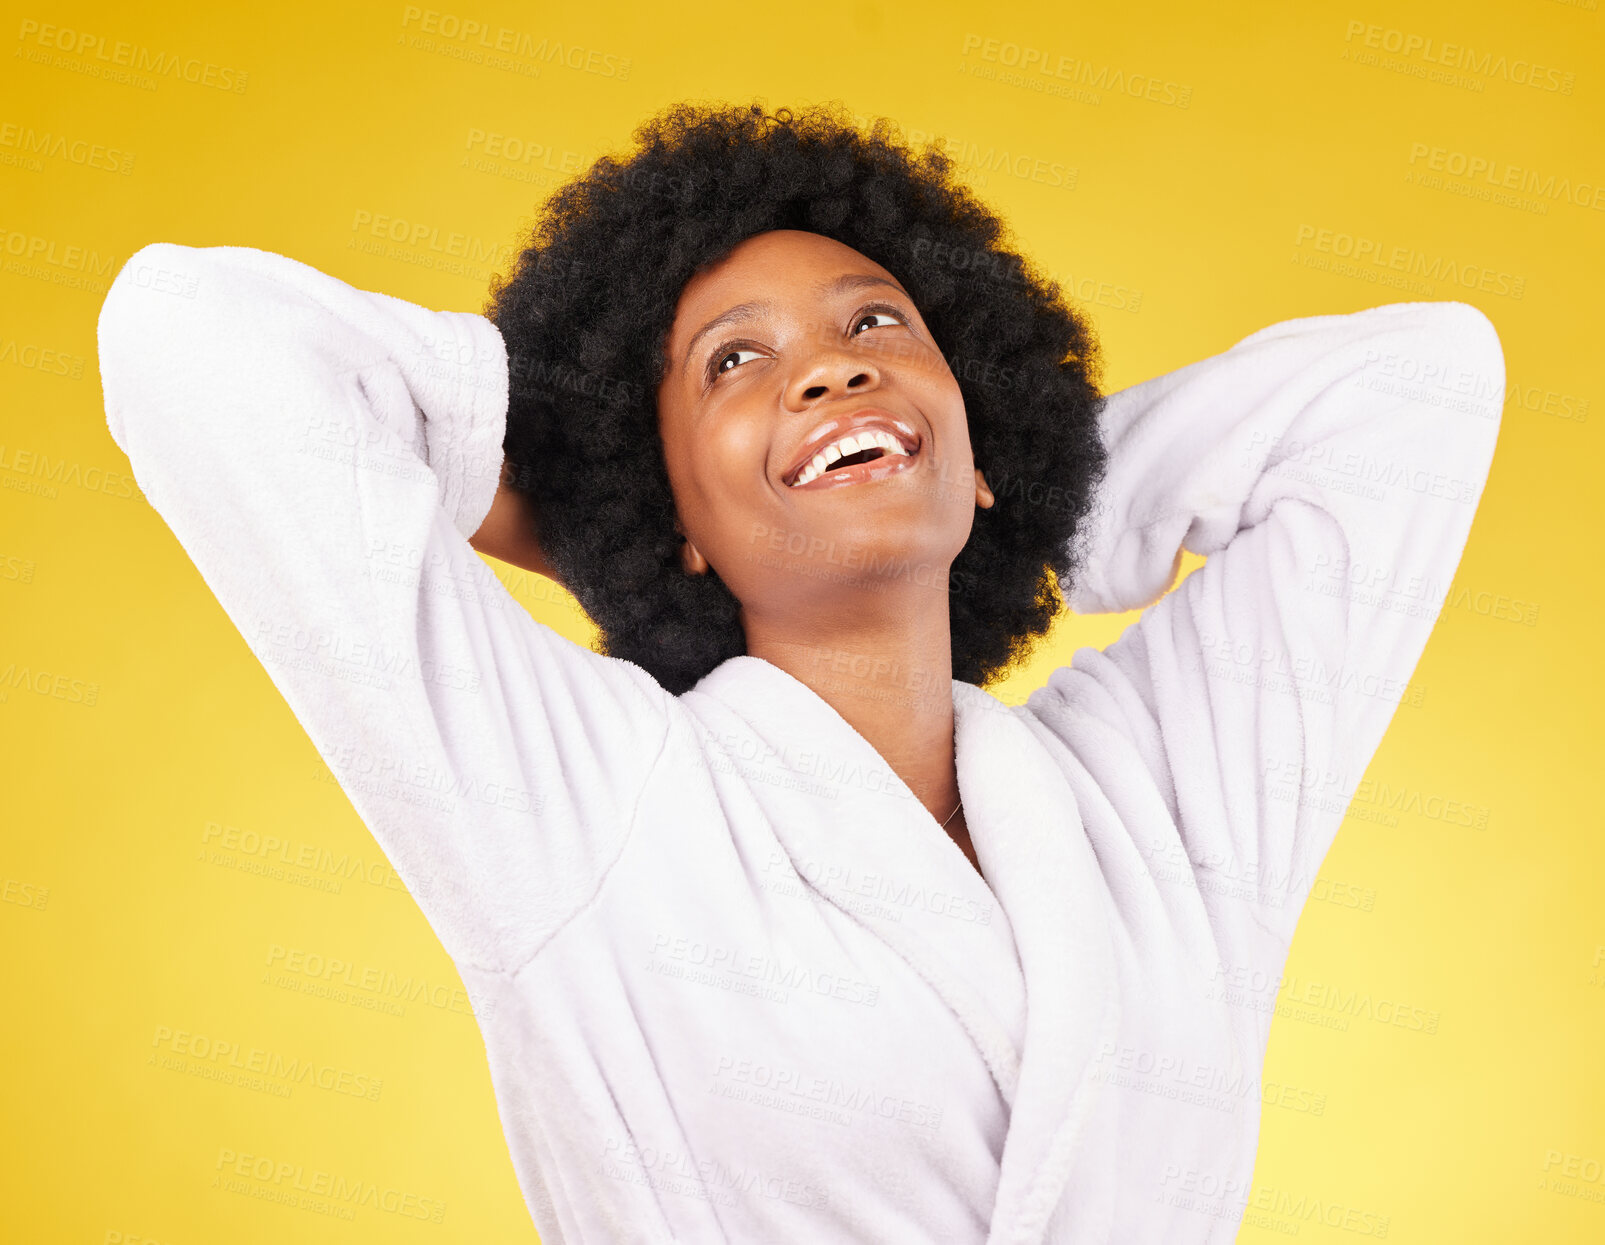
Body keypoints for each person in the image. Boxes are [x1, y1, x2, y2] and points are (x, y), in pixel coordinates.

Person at [96, 101, 1505, 1244]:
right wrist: (572, 495)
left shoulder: (1152, 803)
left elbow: (1419, 385)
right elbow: (187, 339)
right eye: (732, 364)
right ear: (675, 522)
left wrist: (1002, 475)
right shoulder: (584, 804)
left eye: (874, 324)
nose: (829, 372)